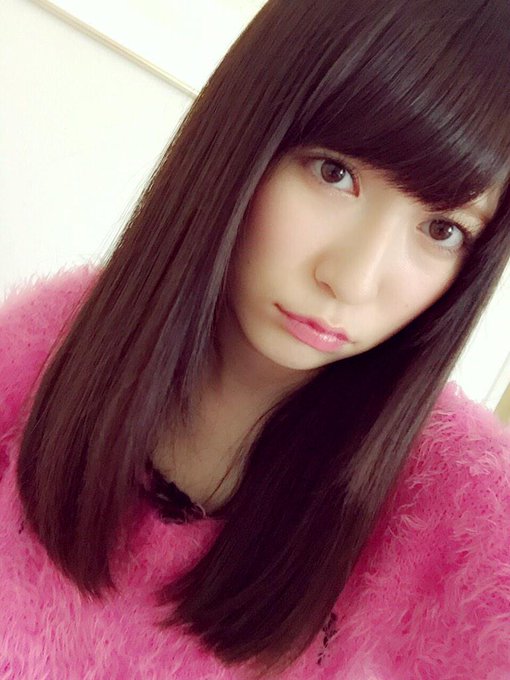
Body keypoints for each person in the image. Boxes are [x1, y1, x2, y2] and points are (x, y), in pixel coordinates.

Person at [1, 0, 509, 677]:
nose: (353, 280)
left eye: (442, 230)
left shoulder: (464, 506)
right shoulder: (46, 344)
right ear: (247, 136)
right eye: (335, 173)